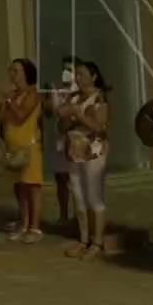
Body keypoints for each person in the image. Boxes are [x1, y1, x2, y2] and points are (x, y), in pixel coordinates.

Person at [57, 61, 110, 260]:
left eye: (81, 74)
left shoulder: (99, 97)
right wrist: (66, 119)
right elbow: (61, 121)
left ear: (93, 76)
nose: (77, 78)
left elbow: (101, 127)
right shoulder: (74, 97)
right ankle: (83, 239)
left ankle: (97, 242)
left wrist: (79, 116)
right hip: (74, 152)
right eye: (76, 74)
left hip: (93, 153)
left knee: (94, 197)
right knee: (78, 197)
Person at [0, 58, 43, 242]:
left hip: (29, 146)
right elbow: (0, 118)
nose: (12, 75)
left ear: (27, 73)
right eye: (11, 71)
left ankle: (35, 227)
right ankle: (24, 223)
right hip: (14, 147)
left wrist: (9, 101)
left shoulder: (33, 93)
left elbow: (21, 116)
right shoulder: (14, 95)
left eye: (16, 71)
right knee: (20, 188)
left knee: (32, 187)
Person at [45, 57, 80, 229]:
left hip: (75, 141)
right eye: (64, 69)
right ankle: (64, 215)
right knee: (61, 179)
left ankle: (79, 216)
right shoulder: (56, 89)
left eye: (70, 69)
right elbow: (51, 112)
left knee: (76, 181)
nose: (66, 73)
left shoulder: (80, 91)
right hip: (59, 141)